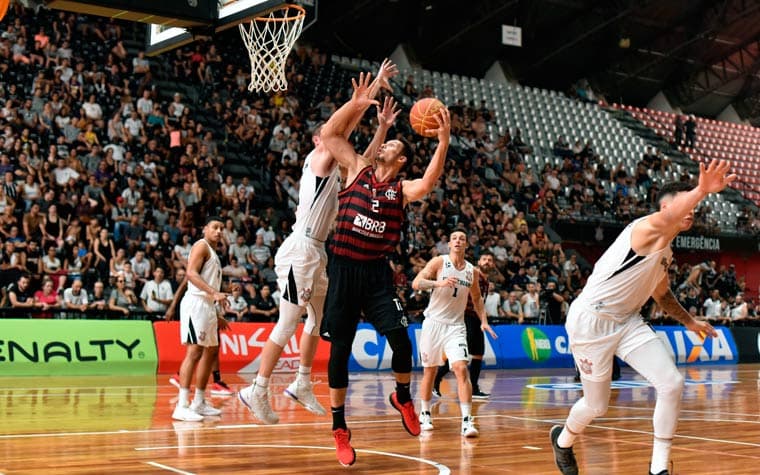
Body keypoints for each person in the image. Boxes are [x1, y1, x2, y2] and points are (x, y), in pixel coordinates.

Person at [238, 61, 400, 426]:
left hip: (317, 252)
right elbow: (336, 132)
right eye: (328, 139)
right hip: (301, 249)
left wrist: (382, 128)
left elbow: (365, 159)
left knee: (322, 318)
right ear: (317, 143)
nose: (335, 142)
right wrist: (366, 94)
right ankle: (258, 390)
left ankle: (301, 382)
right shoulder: (317, 160)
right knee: (288, 321)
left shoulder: (339, 173)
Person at [550, 160, 734, 475]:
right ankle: (563, 440)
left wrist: (690, 322)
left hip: (628, 322)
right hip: (591, 321)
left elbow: (661, 295)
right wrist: (702, 189)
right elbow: (671, 216)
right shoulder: (644, 228)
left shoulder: (665, 252)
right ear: (664, 208)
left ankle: (658, 468)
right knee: (597, 406)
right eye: (679, 204)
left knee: (672, 383)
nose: (688, 211)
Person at [318, 72, 450, 466]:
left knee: (401, 339)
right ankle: (340, 427)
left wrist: (442, 142)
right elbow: (329, 135)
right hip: (343, 270)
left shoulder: (402, 188)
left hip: (376, 273)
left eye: (391, 143)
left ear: (401, 159)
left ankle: (402, 397)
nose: (385, 144)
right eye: (385, 140)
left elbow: (428, 183)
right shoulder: (356, 168)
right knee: (339, 351)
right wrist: (359, 102)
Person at [413, 231, 497, 438]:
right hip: (433, 323)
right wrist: (437, 283)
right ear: (449, 244)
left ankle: (467, 421)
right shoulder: (438, 262)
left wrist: (484, 321)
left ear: (466, 245)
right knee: (430, 371)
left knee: (461, 368)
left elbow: (477, 299)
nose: (458, 241)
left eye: (462, 238)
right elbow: (417, 283)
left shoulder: (472, 271)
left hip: (456, 326)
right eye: (454, 238)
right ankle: (424, 413)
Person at [171, 216, 230, 422]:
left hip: (208, 307)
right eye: (214, 227)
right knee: (194, 351)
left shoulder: (214, 253)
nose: (219, 231)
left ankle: (199, 401)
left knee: (211, 352)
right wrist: (214, 293)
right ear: (204, 229)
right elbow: (191, 274)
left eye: (221, 228)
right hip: (196, 304)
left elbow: (209, 283)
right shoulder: (201, 246)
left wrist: (217, 311)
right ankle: (182, 404)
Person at [433, 251, 496, 399]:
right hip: (464, 317)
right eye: (484, 258)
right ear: (478, 262)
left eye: (490, 260)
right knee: (459, 353)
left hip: (476, 319)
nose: (487, 261)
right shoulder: (472, 275)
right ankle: (435, 379)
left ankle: (473, 387)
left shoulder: (485, 281)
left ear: (493, 265)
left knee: (478, 353)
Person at [166, 272, 234, 397]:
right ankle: (183, 383)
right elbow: (186, 282)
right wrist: (172, 305)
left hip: (208, 308)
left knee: (212, 348)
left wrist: (227, 290)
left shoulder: (213, 264)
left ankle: (215, 382)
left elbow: (212, 290)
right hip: (197, 309)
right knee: (198, 350)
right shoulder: (200, 258)